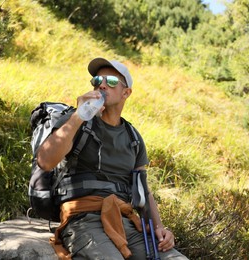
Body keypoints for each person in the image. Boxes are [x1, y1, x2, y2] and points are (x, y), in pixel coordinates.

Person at [37, 57, 188, 259]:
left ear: (126, 93)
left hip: (125, 223)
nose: (102, 85)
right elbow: (45, 161)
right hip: (83, 219)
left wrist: (159, 227)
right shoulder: (76, 120)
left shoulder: (133, 138)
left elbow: (142, 189)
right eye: (97, 80)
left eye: (112, 81)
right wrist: (79, 115)